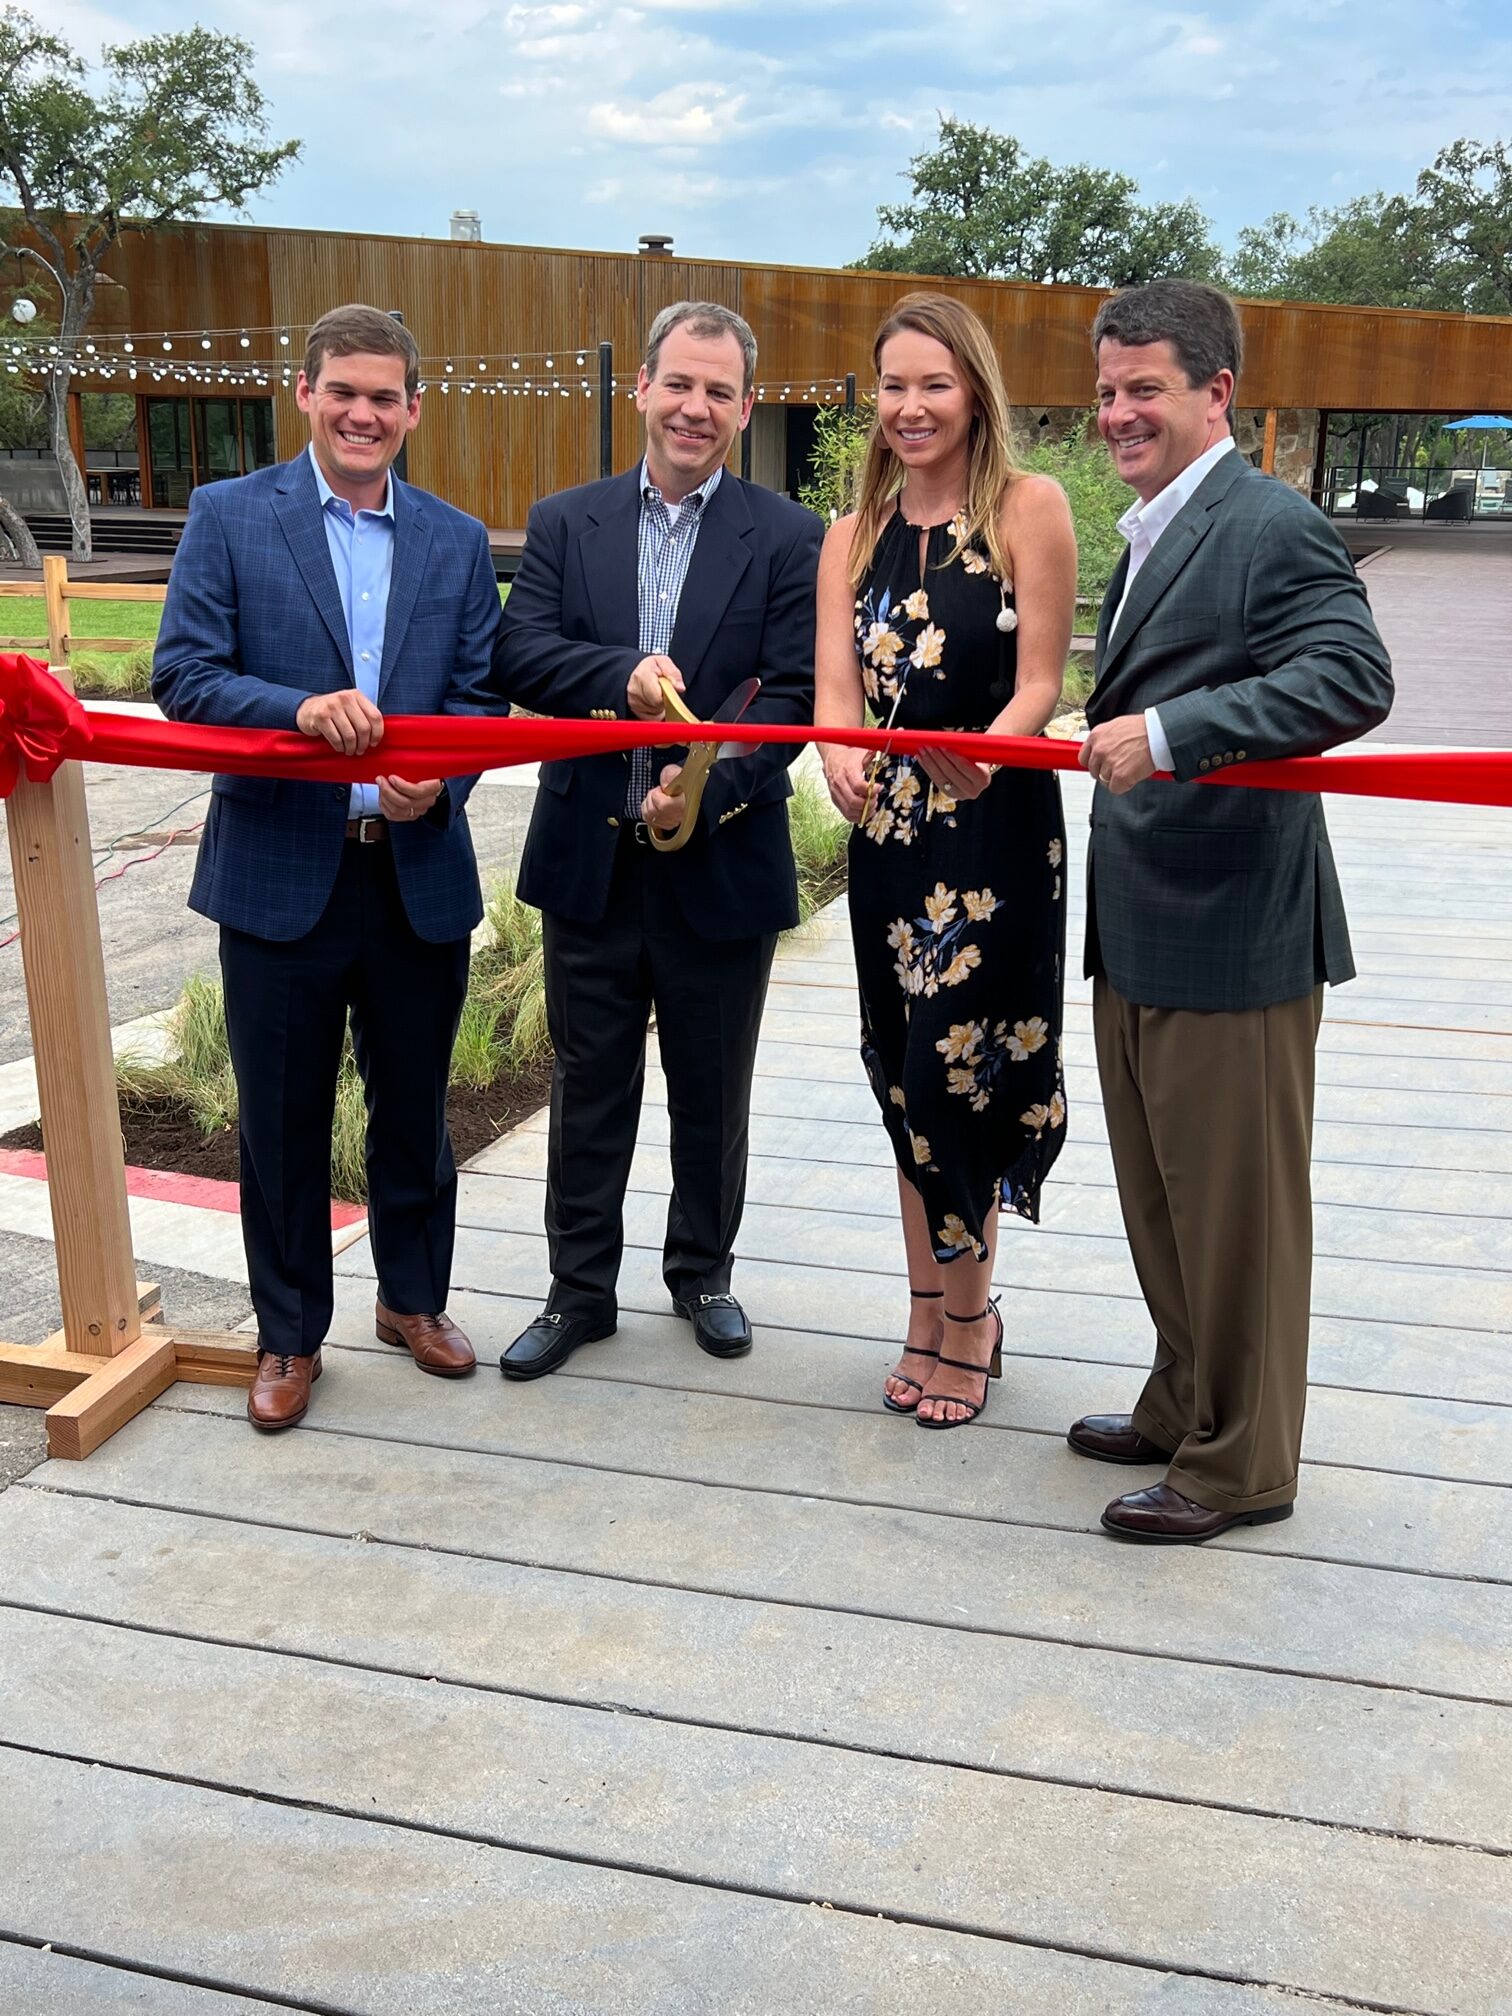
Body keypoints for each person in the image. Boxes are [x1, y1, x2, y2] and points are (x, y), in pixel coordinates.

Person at [1071, 278, 1393, 1540]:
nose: (1117, 413)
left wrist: (1171, 732)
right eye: (1105, 391)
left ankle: (1241, 1464)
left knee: (1237, 1210)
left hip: (1236, 929)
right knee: (1164, 1195)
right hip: (1144, 919)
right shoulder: (1157, 523)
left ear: (1218, 393)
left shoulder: (1270, 522)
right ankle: (1185, 1399)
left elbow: (1352, 677)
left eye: (1144, 388)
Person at [153, 303, 501, 1429]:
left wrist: (440, 781)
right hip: (276, 877)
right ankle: (290, 1334)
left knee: (414, 1111)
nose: (363, 413)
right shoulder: (227, 516)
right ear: (304, 393)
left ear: (413, 408)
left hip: (414, 873)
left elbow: (479, 702)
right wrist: (300, 711)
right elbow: (186, 676)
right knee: (283, 1123)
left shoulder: (454, 538)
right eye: (342, 391)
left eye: (384, 396)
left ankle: (413, 1301)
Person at [490, 301, 821, 1377]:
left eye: (720, 391)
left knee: (712, 1087)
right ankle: (578, 1291)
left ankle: (702, 1274)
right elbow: (522, 655)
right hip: (590, 856)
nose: (696, 408)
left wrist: (705, 787)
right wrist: (619, 675)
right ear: (642, 387)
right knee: (589, 1089)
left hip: (720, 861)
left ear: (746, 406)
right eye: (680, 383)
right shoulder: (563, 520)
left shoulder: (786, 536)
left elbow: (795, 699)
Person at [815, 293, 1077, 1429]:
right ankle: (929, 1308)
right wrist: (833, 752)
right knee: (899, 1077)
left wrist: (994, 755)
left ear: (975, 390)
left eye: (935, 384)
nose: (911, 407)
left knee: (955, 1078)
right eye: (894, 386)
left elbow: (1042, 685)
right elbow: (835, 690)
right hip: (887, 845)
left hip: (993, 832)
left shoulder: (1030, 506)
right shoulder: (855, 529)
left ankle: (972, 1324)